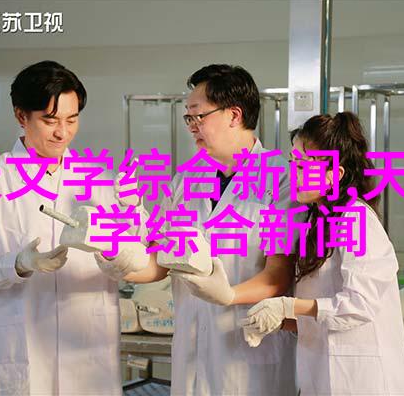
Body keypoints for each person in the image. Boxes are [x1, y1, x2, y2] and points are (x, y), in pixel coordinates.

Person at [94, 64, 297, 395]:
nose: (191, 127)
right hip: (192, 352)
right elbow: (160, 263)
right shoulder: (186, 180)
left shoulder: (282, 179)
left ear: (234, 115)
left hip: (248, 357)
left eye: (198, 116)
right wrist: (115, 255)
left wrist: (228, 296)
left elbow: (278, 275)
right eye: (188, 118)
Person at [0, 60, 139, 396]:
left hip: (88, 360)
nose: (63, 132)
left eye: (72, 119)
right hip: (21, 361)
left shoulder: (101, 181)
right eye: (50, 120)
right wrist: (18, 264)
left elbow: (134, 257)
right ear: (21, 116)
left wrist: (132, 213)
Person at [244, 113, 404, 395]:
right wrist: (279, 321)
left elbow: (357, 305)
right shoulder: (316, 220)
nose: (293, 174)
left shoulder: (356, 219)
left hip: (362, 382)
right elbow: (323, 313)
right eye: (292, 163)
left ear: (335, 174)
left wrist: (288, 306)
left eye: (303, 166)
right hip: (322, 376)